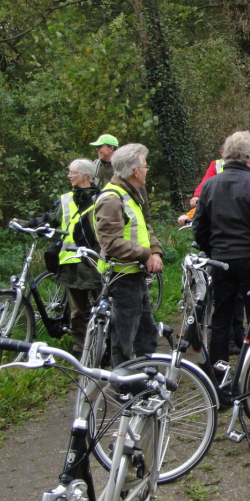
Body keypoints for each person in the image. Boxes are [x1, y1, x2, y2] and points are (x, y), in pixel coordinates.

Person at [193, 131, 250, 397]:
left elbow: (199, 227)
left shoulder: (210, 185)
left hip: (221, 261)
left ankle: (217, 379)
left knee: (221, 318)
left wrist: (213, 250)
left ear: (226, 154)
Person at [18, 159, 102, 357]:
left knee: (103, 308)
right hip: (71, 264)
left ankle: (106, 345)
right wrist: (25, 224)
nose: (69, 175)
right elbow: (47, 220)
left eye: (73, 172)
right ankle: (80, 351)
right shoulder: (65, 200)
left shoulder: (101, 200)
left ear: (85, 176)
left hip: (96, 262)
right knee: (77, 312)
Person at [92, 143, 164, 367]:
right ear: (135, 171)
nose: (147, 170)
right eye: (145, 166)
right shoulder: (112, 199)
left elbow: (143, 226)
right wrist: (145, 254)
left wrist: (156, 252)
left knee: (146, 333)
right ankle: (122, 385)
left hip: (136, 274)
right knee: (124, 338)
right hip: (122, 277)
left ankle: (145, 379)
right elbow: (110, 243)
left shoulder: (130, 194)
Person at [190, 143, 227, 208]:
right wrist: (197, 196)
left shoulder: (246, 162)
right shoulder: (216, 164)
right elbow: (206, 182)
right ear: (222, 153)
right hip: (219, 201)